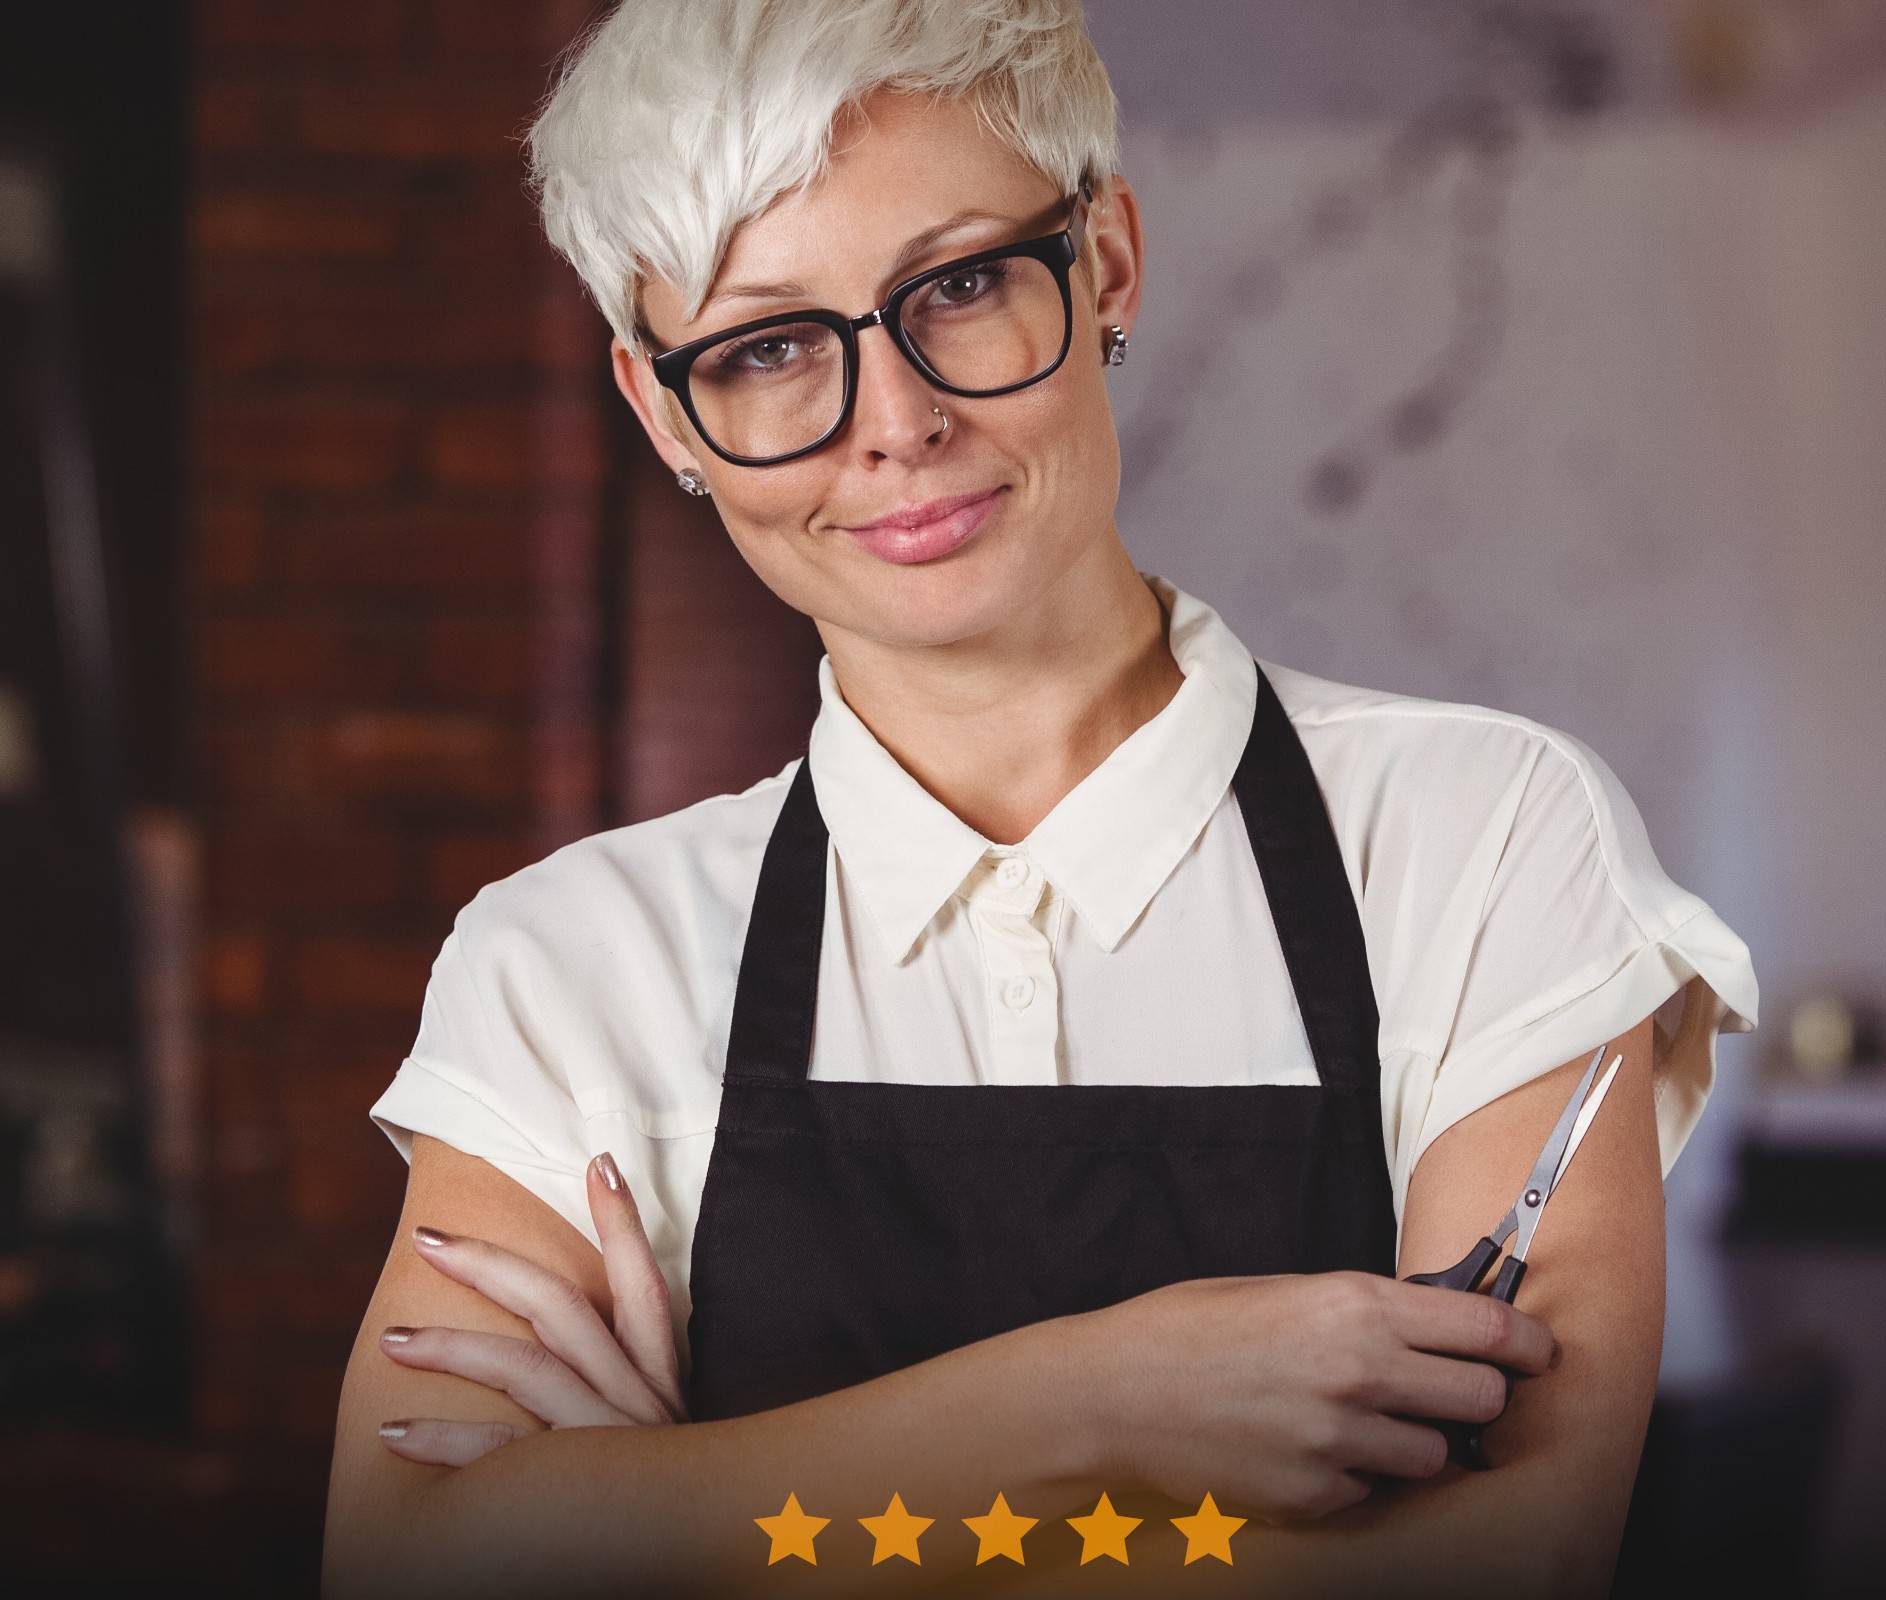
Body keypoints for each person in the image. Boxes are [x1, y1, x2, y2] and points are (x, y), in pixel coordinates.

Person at [323, 3, 1759, 1596]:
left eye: (960, 285)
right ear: (668, 412)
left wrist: (659, 1512)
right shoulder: (565, 965)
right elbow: (411, 1568)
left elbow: (1506, 1559)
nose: (896, 423)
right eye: (767, 348)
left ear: (1111, 263)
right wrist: (1107, 1397)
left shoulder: (1483, 838)